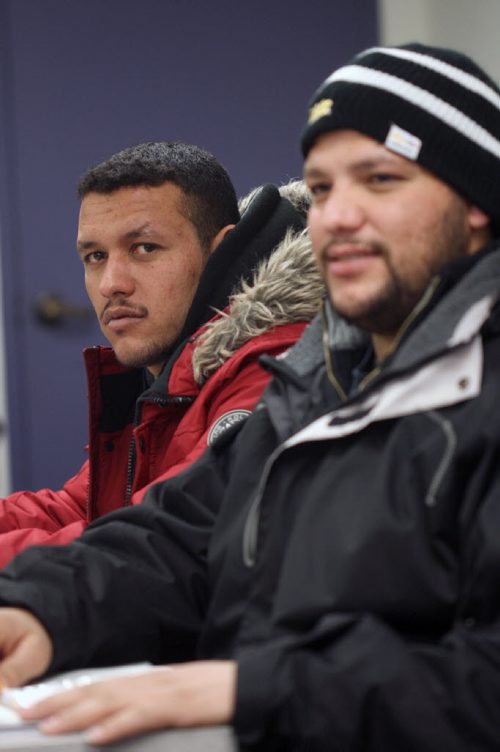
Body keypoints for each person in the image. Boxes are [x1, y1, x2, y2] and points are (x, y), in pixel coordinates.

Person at [0, 42, 499, 750]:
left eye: (380, 179)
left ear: (475, 203)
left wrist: (249, 688)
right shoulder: (321, 377)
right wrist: (39, 611)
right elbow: (181, 538)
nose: (339, 216)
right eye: (322, 189)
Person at [0, 142, 321, 567]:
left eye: (144, 248)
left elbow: (161, 545)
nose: (111, 283)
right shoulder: (170, 369)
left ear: (219, 250)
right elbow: (79, 509)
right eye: (95, 256)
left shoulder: (274, 367)